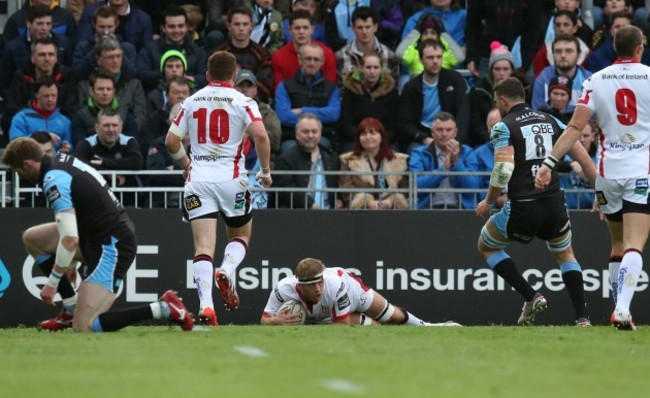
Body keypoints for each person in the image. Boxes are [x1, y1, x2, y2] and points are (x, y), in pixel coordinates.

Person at [2, 137, 193, 332]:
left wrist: (52, 283)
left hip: (112, 245)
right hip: (94, 235)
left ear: (27, 164)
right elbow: (79, 219)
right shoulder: (60, 161)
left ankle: (162, 308)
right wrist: (71, 263)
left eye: (18, 171)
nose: (21, 176)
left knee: (84, 326)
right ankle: (70, 308)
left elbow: (69, 240)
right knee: (33, 238)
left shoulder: (53, 178)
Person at [535, 25, 650, 331]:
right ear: (640, 48)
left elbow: (574, 128)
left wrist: (549, 162)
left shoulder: (595, 80)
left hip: (607, 173)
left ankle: (618, 307)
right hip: (641, 170)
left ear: (615, 48)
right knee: (634, 244)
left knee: (616, 244)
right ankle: (623, 310)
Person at [475, 77, 597, 327]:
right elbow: (584, 160)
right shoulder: (551, 120)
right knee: (565, 255)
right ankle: (583, 318)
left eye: (497, 101)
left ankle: (531, 296)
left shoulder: (503, 126)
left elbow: (503, 170)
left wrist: (488, 202)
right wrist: (601, 194)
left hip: (523, 207)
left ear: (503, 100)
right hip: (554, 204)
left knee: (486, 245)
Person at [165, 50, 272, 326]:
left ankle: (207, 306)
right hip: (231, 179)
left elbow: (171, 142)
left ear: (208, 75)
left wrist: (186, 164)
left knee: (203, 246)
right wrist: (265, 171)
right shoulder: (243, 100)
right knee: (242, 235)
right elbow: (260, 133)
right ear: (234, 77)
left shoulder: (191, 100)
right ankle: (227, 269)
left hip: (198, 180)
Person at [261, 257, 461, 326]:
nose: (318, 288)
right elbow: (264, 319)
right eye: (312, 285)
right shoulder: (283, 289)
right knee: (373, 328)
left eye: (320, 282)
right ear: (300, 285)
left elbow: (342, 325)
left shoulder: (335, 285)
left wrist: (306, 328)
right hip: (326, 316)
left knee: (391, 315)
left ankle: (427, 326)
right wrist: (276, 321)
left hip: (353, 290)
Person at [399, 40, 469, 152]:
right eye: (430, 57)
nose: (435, 61)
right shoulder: (411, 87)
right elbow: (405, 122)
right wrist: (424, 138)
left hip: (451, 134)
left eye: (439, 57)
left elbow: (463, 114)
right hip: (423, 136)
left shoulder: (455, 80)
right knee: (415, 151)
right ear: (421, 59)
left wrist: (455, 139)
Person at [275, 43, 341, 152]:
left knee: (324, 146)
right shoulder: (285, 86)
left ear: (322, 62)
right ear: (299, 59)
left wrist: (303, 110)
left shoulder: (332, 88)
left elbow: (333, 115)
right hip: (292, 137)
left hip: (322, 137)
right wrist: (318, 116)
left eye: (316, 59)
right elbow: (283, 116)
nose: (312, 63)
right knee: (288, 149)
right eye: (308, 59)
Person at [272, 113, 342, 209]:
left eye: (314, 131)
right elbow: (285, 189)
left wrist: (338, 200)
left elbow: (339, 186)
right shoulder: (285, 159)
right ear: (297, 134)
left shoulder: (332, 157)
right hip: (298, 215)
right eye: (305, 132)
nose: (310, 135)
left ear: (320, 133)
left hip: (330, 214)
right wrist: (309, 204)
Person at [409, 112, 475, 209]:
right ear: (432, 132)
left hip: (461, 209)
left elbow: (472, 187)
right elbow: (416, 185)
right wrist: (443, 169)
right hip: (427, 209)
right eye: (440, 130)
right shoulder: (419, 153)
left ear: (455, 132)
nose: (444, 134)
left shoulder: (468, 152)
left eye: (448, 130)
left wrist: (456, 162)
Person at [339, 117, 409, 210]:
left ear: (381, 137)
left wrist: (391, 201)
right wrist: (367, 202)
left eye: (372, 133)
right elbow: (346, 191)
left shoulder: (399, 160)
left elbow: (404, 190)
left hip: (392, 214)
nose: (368, 137)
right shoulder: (348, 160)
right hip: (360, 214)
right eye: (363, 134)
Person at [135, 4, 207, 91]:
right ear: (163, 28)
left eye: (180, 26)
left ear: (187, 27)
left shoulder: (198, 52)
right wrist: (165, 75)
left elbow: (205, 78)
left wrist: (189, 79)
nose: (176, 30)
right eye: (171, 26)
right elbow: (140, 74)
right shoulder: (149, 50)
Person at [211, 6, 274, 102]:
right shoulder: (218, 55)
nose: (241, 28)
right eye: (237, 24)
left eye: (245, 24)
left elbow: (266, 86)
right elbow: (212, 84)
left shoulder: (263, 54)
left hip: (254, 104)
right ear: (228, 26)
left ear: (251, 26)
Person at [339, 51, 400, 152]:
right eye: (368, 67)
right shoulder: (350, 90)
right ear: (361, 68)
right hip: (355, 140)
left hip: (384, 141)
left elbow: (394, 125)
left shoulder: (391, 92)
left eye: (376, 67)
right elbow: (346, 123)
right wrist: (364, 139)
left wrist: (379, 140)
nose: (372, 71)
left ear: (381, 69)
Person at [74, 109, 143, 192]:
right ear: (97, 128)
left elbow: (136, 163)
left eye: (115, 125)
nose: (111, 129)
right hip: (96, 196)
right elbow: (78, 165)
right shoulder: (86, 144)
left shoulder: (129, 141)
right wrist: (110, 176)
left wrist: (103, 162)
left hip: (128, 198)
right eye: (106, 125)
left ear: (121, 127)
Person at [272, 11, 337, 88]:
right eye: (297, 28)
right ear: (289, 30)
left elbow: (330, 87)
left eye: (305, 28)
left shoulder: (327, 54)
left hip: (321, 98)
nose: (301, 32)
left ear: (312, 29)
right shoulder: (279, 57)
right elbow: (280, 89)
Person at [334, 6, 399, 84]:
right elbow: (338, 89)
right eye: (359, 27)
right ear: (353, 28)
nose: (364, 31)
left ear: (375, 27)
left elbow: (394, 87)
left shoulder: (389, 55)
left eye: (368, 27)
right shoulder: (340, 56)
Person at [72, 5, 138, 81]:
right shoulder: (82, 47)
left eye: (110, 27)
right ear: (94, 24)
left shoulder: (128, 48)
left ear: (116, 25)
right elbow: (76, 74)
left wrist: (118, 49)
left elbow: (132, 74)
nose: (105, 31)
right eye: (101, 27)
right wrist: (96, 49)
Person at [8, 77, 72, 153]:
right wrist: (41, 138)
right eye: (46, 96)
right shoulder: (21, 118)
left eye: (53, 95)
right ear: (36, 95)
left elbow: (70, 146)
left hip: (56, 163)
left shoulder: (65, 122)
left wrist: (67, 148)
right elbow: (14, 145)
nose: (50, 99)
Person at [532, 35, 592, 112]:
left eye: (568, 51)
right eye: (558, 51)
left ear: (578, 55)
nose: (563, 55)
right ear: (553, 55)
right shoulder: (542, 79)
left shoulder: (590, 81)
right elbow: (537, 114)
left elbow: (594, 117)